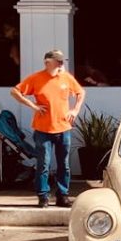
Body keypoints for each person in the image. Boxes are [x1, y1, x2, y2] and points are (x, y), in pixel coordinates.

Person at [10, 49, 85, 208]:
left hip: (63, 127)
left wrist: (75, 110)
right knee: (44, 164)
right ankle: (43, 196)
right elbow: (15, 91)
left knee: (63, 164)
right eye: (55, 61)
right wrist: (33, 106)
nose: (59, 63)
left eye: (58, 61)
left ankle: (62, 195)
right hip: (43, 129)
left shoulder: (65, 78)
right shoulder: (36, 78)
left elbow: (80, 92)